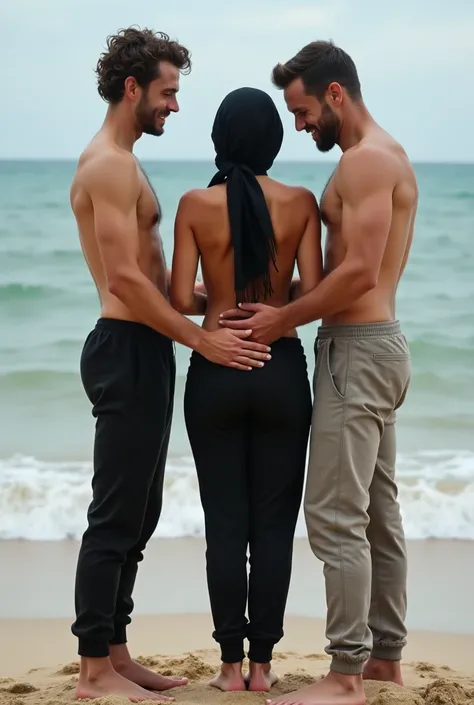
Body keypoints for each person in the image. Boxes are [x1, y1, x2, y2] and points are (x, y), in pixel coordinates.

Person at [69, 28, 272, 703]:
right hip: (126, 347)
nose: (174, 106)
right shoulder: (107, 165)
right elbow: (126, 282)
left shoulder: (124, 162)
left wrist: (217, 302)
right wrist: (202, 340)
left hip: (147, 347)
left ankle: (116, 652)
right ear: (133, 88)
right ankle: (92, 668)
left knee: (141, 510)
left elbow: (153, 277)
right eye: (167, 92)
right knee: (114, 514)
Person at [219, 43, 418, 705]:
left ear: (335, 93)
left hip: (358, 350)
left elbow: (357, 271)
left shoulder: (365, 162)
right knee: (378, 513)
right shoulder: (383, 154)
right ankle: (385, 658)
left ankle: (345, 674)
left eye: (303, 112)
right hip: (379, 344)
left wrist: (281, 321)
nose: (300, 127)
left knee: (334, 515)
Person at [170, 87, 322, 693]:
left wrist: (221, 307)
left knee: (225, 521)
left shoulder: (193, 205)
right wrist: (270, 306)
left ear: (219, 139)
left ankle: (229, 667)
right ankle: (264, 667)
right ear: (274, 142)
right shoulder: (301, 202)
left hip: (216, 372)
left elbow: (181, 299)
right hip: (281, 368)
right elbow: (310, 294)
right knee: (274, 525)